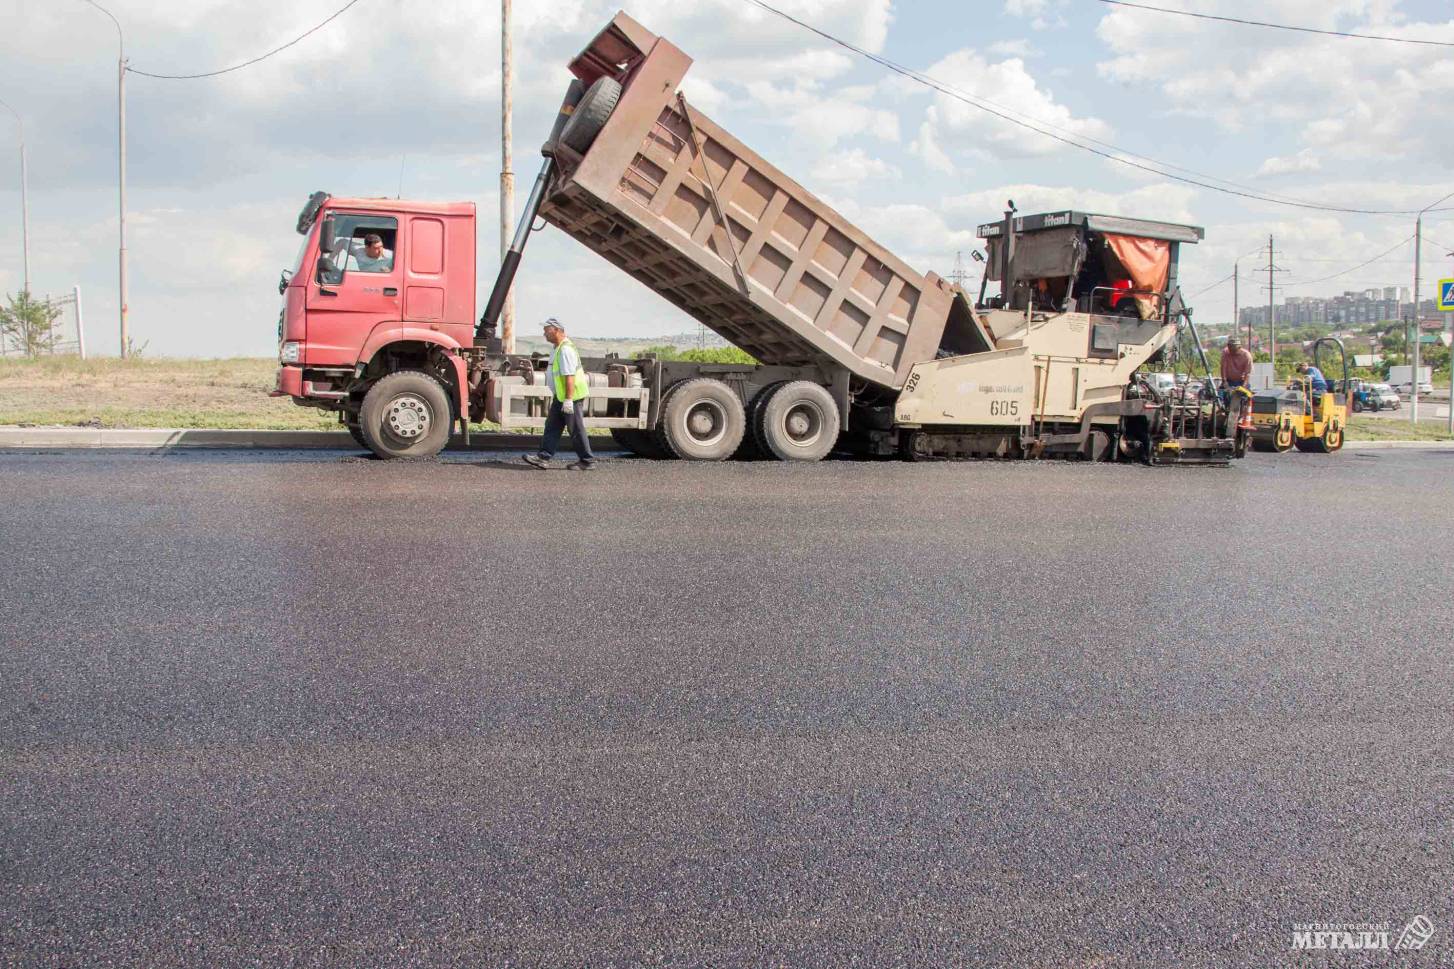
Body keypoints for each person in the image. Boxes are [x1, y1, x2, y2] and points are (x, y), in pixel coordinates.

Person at [523, 318, 595, 470]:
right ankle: (543, 457)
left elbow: (569, 376)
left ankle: (587, 461)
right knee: (552, 426)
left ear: (556, 330)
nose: (544, 334)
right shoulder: (558, 348)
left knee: (575, 429)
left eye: (546, 330)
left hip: (571, 397)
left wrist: (569, 400)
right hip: (562, 396)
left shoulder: (565, 349)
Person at [1219, 335, 1254, 435]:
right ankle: (1225, 413)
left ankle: (1242, 416)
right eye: (1229, 348)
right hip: (1229, 380)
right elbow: (1223, 367)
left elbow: (1247, 373)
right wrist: (1224, 381)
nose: (1231, 351)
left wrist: (1243, 386)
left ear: (1239, 348)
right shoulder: (1226, 352)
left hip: (1241, 381)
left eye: (1233, 349)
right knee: (1222, 395)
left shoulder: (1246, 355)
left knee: (1245, 396)